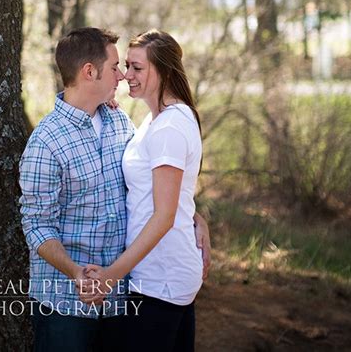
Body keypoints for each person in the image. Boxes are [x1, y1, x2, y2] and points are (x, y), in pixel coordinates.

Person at [19, 27, 210, 352]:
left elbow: (154, 185)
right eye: (115, 67)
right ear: (89, 72)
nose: (122, 75)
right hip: (68, 300)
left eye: (130, 67)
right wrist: (76, 272)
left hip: (121, 294)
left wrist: (193, 215)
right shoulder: (46, 142)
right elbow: (36, 224)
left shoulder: (119, 123)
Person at [80, 29, 205, 352]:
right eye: (125, 66)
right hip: (157, 274)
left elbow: (163, 216)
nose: (126, 75)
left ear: (162, 71)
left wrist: (111, 275)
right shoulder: (159, 120)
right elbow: (166, 190)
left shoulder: (169, 127)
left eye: (137, 68)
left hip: (160, 278)